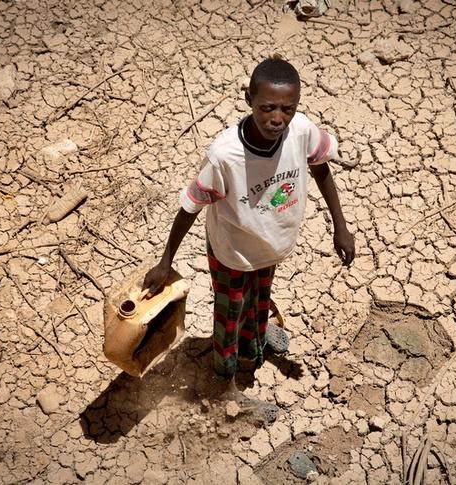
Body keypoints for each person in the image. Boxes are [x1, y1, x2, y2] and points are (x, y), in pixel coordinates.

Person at [142, 56, 354, 422]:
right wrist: (166, 261)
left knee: (261, 298)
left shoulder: (301, 131)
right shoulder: (226, 156)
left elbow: (321, 169)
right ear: (248, 99)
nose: (277, 118)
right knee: (230, 314)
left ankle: (254, 348)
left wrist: (341, 225)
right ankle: (225, 382)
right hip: (232, 252)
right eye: (267, 107)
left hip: (268, 245)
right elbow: (190, 207)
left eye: (287, 108)